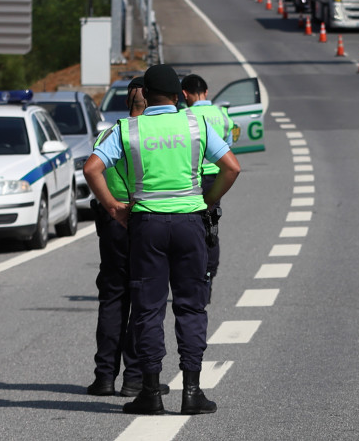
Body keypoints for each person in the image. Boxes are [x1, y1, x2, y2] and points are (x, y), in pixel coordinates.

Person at [84, 64, 241, 415]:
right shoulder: (195, 124)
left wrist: (112, 207)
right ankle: (192, 391)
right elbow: (232, 167)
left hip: (146, 224)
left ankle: (150, 392)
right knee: (190, 306)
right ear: (176, 95)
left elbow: (91, 168)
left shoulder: (128, 129)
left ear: (145, 95)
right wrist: (209, 199)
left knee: (148, 308)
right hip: (189, 222)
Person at [88, 78, 171, 398]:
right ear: (150, 102)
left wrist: (111, 207)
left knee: (112, 298)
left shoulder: (109, 134)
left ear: (126, 104)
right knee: (145, 301)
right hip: (146, 220)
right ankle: (135, 378)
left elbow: (93, 169)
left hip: (113, 223)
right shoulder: (153, 135)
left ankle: (105, 376)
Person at [180, 74, 235, 304]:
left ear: (184, 95)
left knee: (188, 231)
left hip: (191, 180)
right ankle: (209, 276)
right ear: (207, 91)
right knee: (211, 228)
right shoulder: (222, 116)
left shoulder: (183, 117)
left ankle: (189, 280)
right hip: (215, 180)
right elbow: (228, 149)